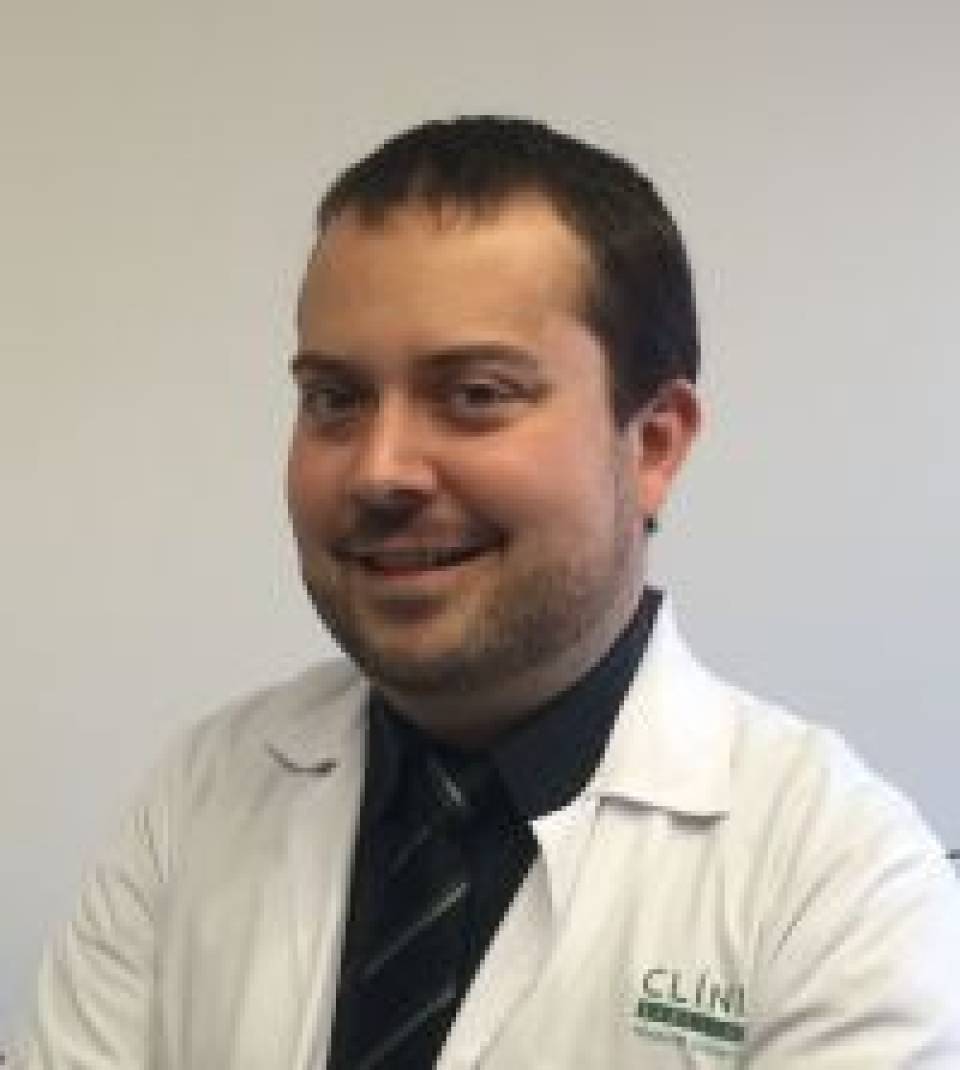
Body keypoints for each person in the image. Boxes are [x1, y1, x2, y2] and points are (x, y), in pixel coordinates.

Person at [15, 117, 960, 1069]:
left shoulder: (845, 888)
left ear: (653, 444)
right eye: (335, 399)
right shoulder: (203, 793)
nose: (380, 471)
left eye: (474, 394)